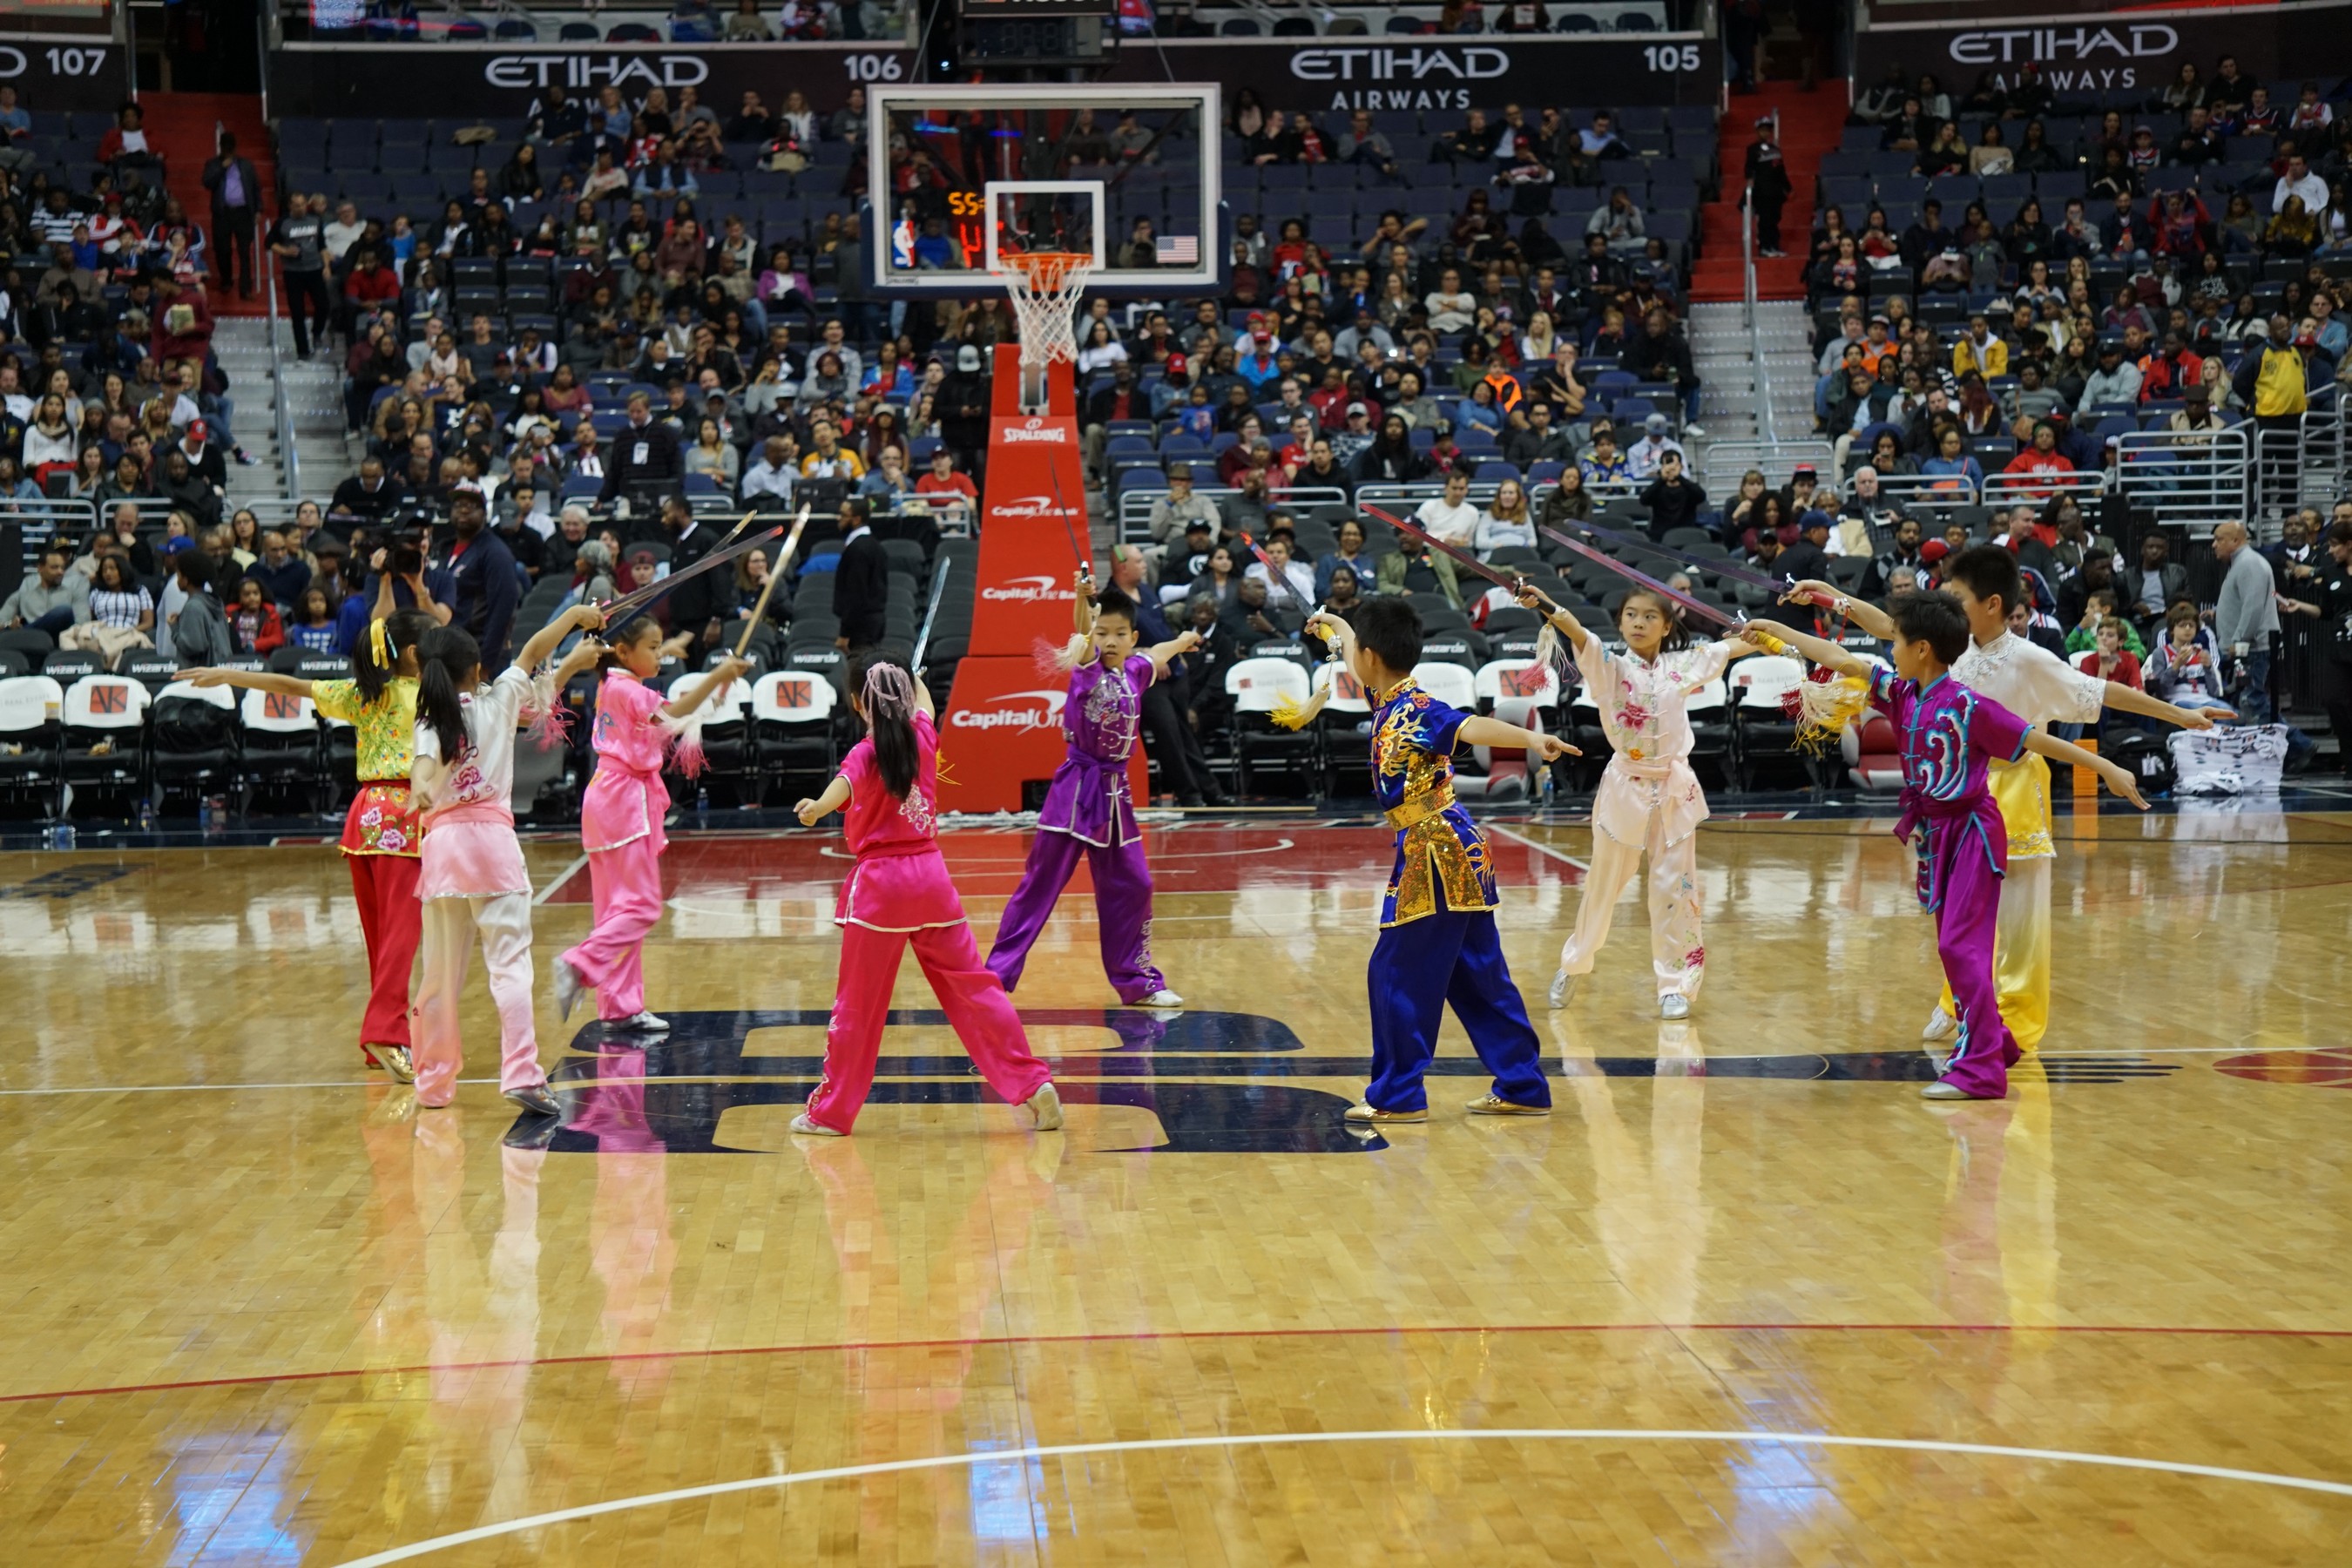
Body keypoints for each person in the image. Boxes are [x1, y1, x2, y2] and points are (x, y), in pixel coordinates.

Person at [1785, 546, 2221, 1056]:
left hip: (2013, 788)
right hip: (1954, 793)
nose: (1946, 602)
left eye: (1957, 595)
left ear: (1992, 604)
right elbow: (1891, 625)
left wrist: (2180, 715)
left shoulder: (2031, 660)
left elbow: (2102, 693)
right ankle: (1959, 1002)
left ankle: (2014, 1019)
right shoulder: (1950, 646)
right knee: (1957, 912)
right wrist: (1832, 597)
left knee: (2018, 920)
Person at [1760, 597, 2146, 1098]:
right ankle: (1996, 1043)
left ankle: (1981, 1071)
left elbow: (2035, 740)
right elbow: (1841, 660)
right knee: (1955, 947)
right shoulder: (1901, 694)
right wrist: (1776, 631)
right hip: (1936, 836)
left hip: (1974, 833)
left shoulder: (1969, 705)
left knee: (1959, 947)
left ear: (1922, 649)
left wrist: (2106, 768)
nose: (1890, 649)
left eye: (1897, 641)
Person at [1287, 598, 1575, 1124]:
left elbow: (1470, 726)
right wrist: (1335, 624)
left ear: (1372, 657)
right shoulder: (1386, 695)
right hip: (1453, 846)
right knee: (1477, 976)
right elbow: (1352, 649)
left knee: (1393, 972)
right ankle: (1523, 1085)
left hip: (1435, 853)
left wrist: (1532, 738)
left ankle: (1398, 1095)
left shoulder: (1418, 710)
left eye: (1358, 650)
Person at [789, 658, 1063, 1137]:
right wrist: (908, 675)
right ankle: (1033, 1083)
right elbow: (926, 704)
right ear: (906, 695)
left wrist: (815, 809)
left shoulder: (865, 752)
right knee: (976, 990)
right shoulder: (922, 734)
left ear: (856, 703)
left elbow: (840, 789)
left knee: (858, 1006)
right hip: (932, 883)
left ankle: (830, 1113)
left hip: (881, 892)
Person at [185, 608, 437, 1076]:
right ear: (414, 653)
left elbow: (289, 685)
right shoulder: (430, 696)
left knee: (381, 937)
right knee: (400, 937)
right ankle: (385, 1034)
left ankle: (380, 1041)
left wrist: (228, 674)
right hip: (403, 817)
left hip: (364, 814)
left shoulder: (364, 693)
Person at [1517, 581, 1757, 1017]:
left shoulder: (1682, 665)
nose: (1639, 623)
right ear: (1621, 622)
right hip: (1625, 788)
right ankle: (1574, 962)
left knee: (1677, 890)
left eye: (1649, 616)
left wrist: (1765, 633)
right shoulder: (1608, 666)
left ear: (1666, 626)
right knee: (1603, 885)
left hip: (1674, 791)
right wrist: (1547, 605)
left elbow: (1729, 649)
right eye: (1631, 615)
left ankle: (1675, 987)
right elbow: (1577, 632)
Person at [407, 605, 605, 1116]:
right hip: (492, 847)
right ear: (477, 669)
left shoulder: (431, 717)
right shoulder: (498, 700)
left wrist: (423, 788)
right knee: (510, 967)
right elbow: (536, 648)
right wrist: (575, 615)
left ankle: (433, 1084)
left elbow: (424, 764)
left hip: (444, 852)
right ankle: (521, 1073)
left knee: (439, 975)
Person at [985, 574, 1198, 1007]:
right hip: (1076, 794)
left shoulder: (1136, 671)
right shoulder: (1087, 669)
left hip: (1115, 798)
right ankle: (993, 979)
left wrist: (1183, 640)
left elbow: (1158, 653)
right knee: (1040, 887)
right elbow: (1082, 632)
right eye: (1103, 633)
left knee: (1135, 884)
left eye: (1120, 634)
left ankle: (1137, 982)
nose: (1110, 641)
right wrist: (1083, 600)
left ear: (1132, 638)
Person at [554, 617, 754, 1035]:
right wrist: (716, 674)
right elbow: (671, 713)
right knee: (642, 906)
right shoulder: (628, 690)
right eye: (652, 647)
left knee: (616, 911)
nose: (659, 654)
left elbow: (663, 710)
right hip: (623, 801)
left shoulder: (613, 684)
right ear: (624, 652)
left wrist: (691, 661)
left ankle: (620, 1007)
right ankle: (580, 962)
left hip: (606, 797)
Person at [200, 132, 261, 299]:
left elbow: (255, 187)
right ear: (220, 147)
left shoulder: (246, 165)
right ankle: (226, 280)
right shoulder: (213, 164)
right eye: (225, 148)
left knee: (244, 252)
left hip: (243, 213)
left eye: (230, 148)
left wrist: (258, 209)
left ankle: (245, 289)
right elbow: (207, 182)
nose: (227, 151)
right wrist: (222, 167)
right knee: (222, 249)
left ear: (235, 148)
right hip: (222, 213)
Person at [831, 497, 887, 650]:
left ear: (856, 519)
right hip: (873, 622)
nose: (839, 519)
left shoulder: (857, 549)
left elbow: (856, 592)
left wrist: (845, 633)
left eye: (843, 515)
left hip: (861, 626)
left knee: (860, 664)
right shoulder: (876, 545)